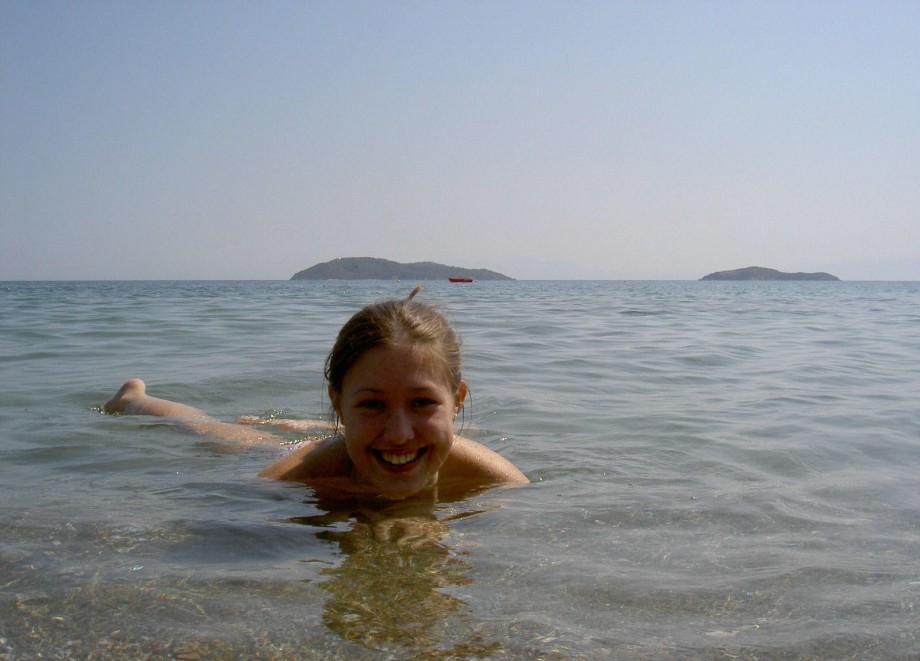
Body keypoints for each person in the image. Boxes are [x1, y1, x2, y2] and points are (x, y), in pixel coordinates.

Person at [103, 287, 528, 500]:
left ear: (457, 400)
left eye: (422, 403)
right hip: (298, 451)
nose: (400, 433)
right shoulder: (298, 479)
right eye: (372, 404)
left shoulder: (495, 480)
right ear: (337, 404)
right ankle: (133, 398)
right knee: (205, 429)